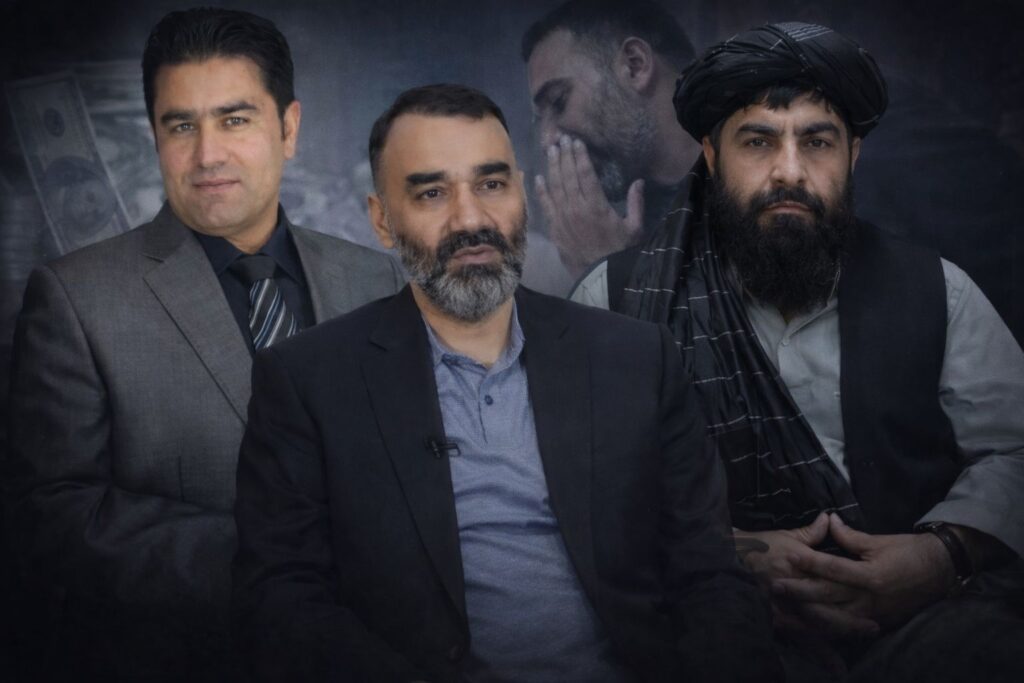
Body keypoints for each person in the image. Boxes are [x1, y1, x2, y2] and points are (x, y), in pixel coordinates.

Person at [232, 83, 781, 682]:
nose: (471, 219)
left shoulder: (636, 360)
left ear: (520, 193)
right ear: (382, 220)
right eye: (432, 193)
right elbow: (283, 603)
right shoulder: (307, 383)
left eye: (491, 185)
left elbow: (709, 577)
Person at [574, 22, 1024, 681]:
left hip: (920, 626)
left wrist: (944, 554)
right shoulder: (615, 298)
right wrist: (724, 556)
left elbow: (1016, 449)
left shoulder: (938, 289)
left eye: (817, 142)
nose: (789, 171)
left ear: (853, 156)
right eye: (758, 142)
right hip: (703, 626)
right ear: (711, 154)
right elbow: (578, 485)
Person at [3, 8, 403, 680]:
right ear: (156, 136)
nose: (207, 154)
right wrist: (271, 558)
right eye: (181, 125)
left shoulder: (376, 279)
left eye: (234, 119)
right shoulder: (74, 298)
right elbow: (51, 515)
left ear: (289, 129)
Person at [521, 0, 700, 281]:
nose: (547, 140)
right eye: (539, 120)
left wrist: (606, 269)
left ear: (635, 65)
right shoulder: (634, 223)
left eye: (558, 101)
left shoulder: (752, 185)